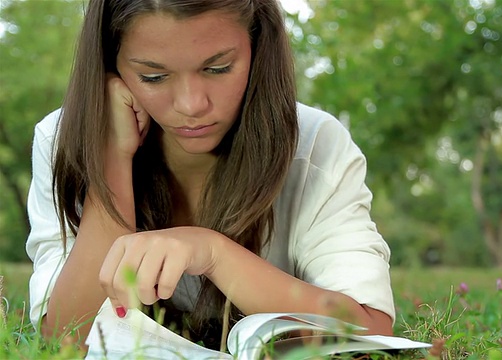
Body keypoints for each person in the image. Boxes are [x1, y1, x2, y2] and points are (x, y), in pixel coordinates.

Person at [26, 0, 394, 349]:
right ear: (112, 67)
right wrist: (112, 160)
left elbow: (372, 329)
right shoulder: (60, 140)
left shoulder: (315, 145)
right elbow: (64, 340)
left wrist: (212, 252)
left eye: (217, 68)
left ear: (257, 48)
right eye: (153, 76)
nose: (191, 105)